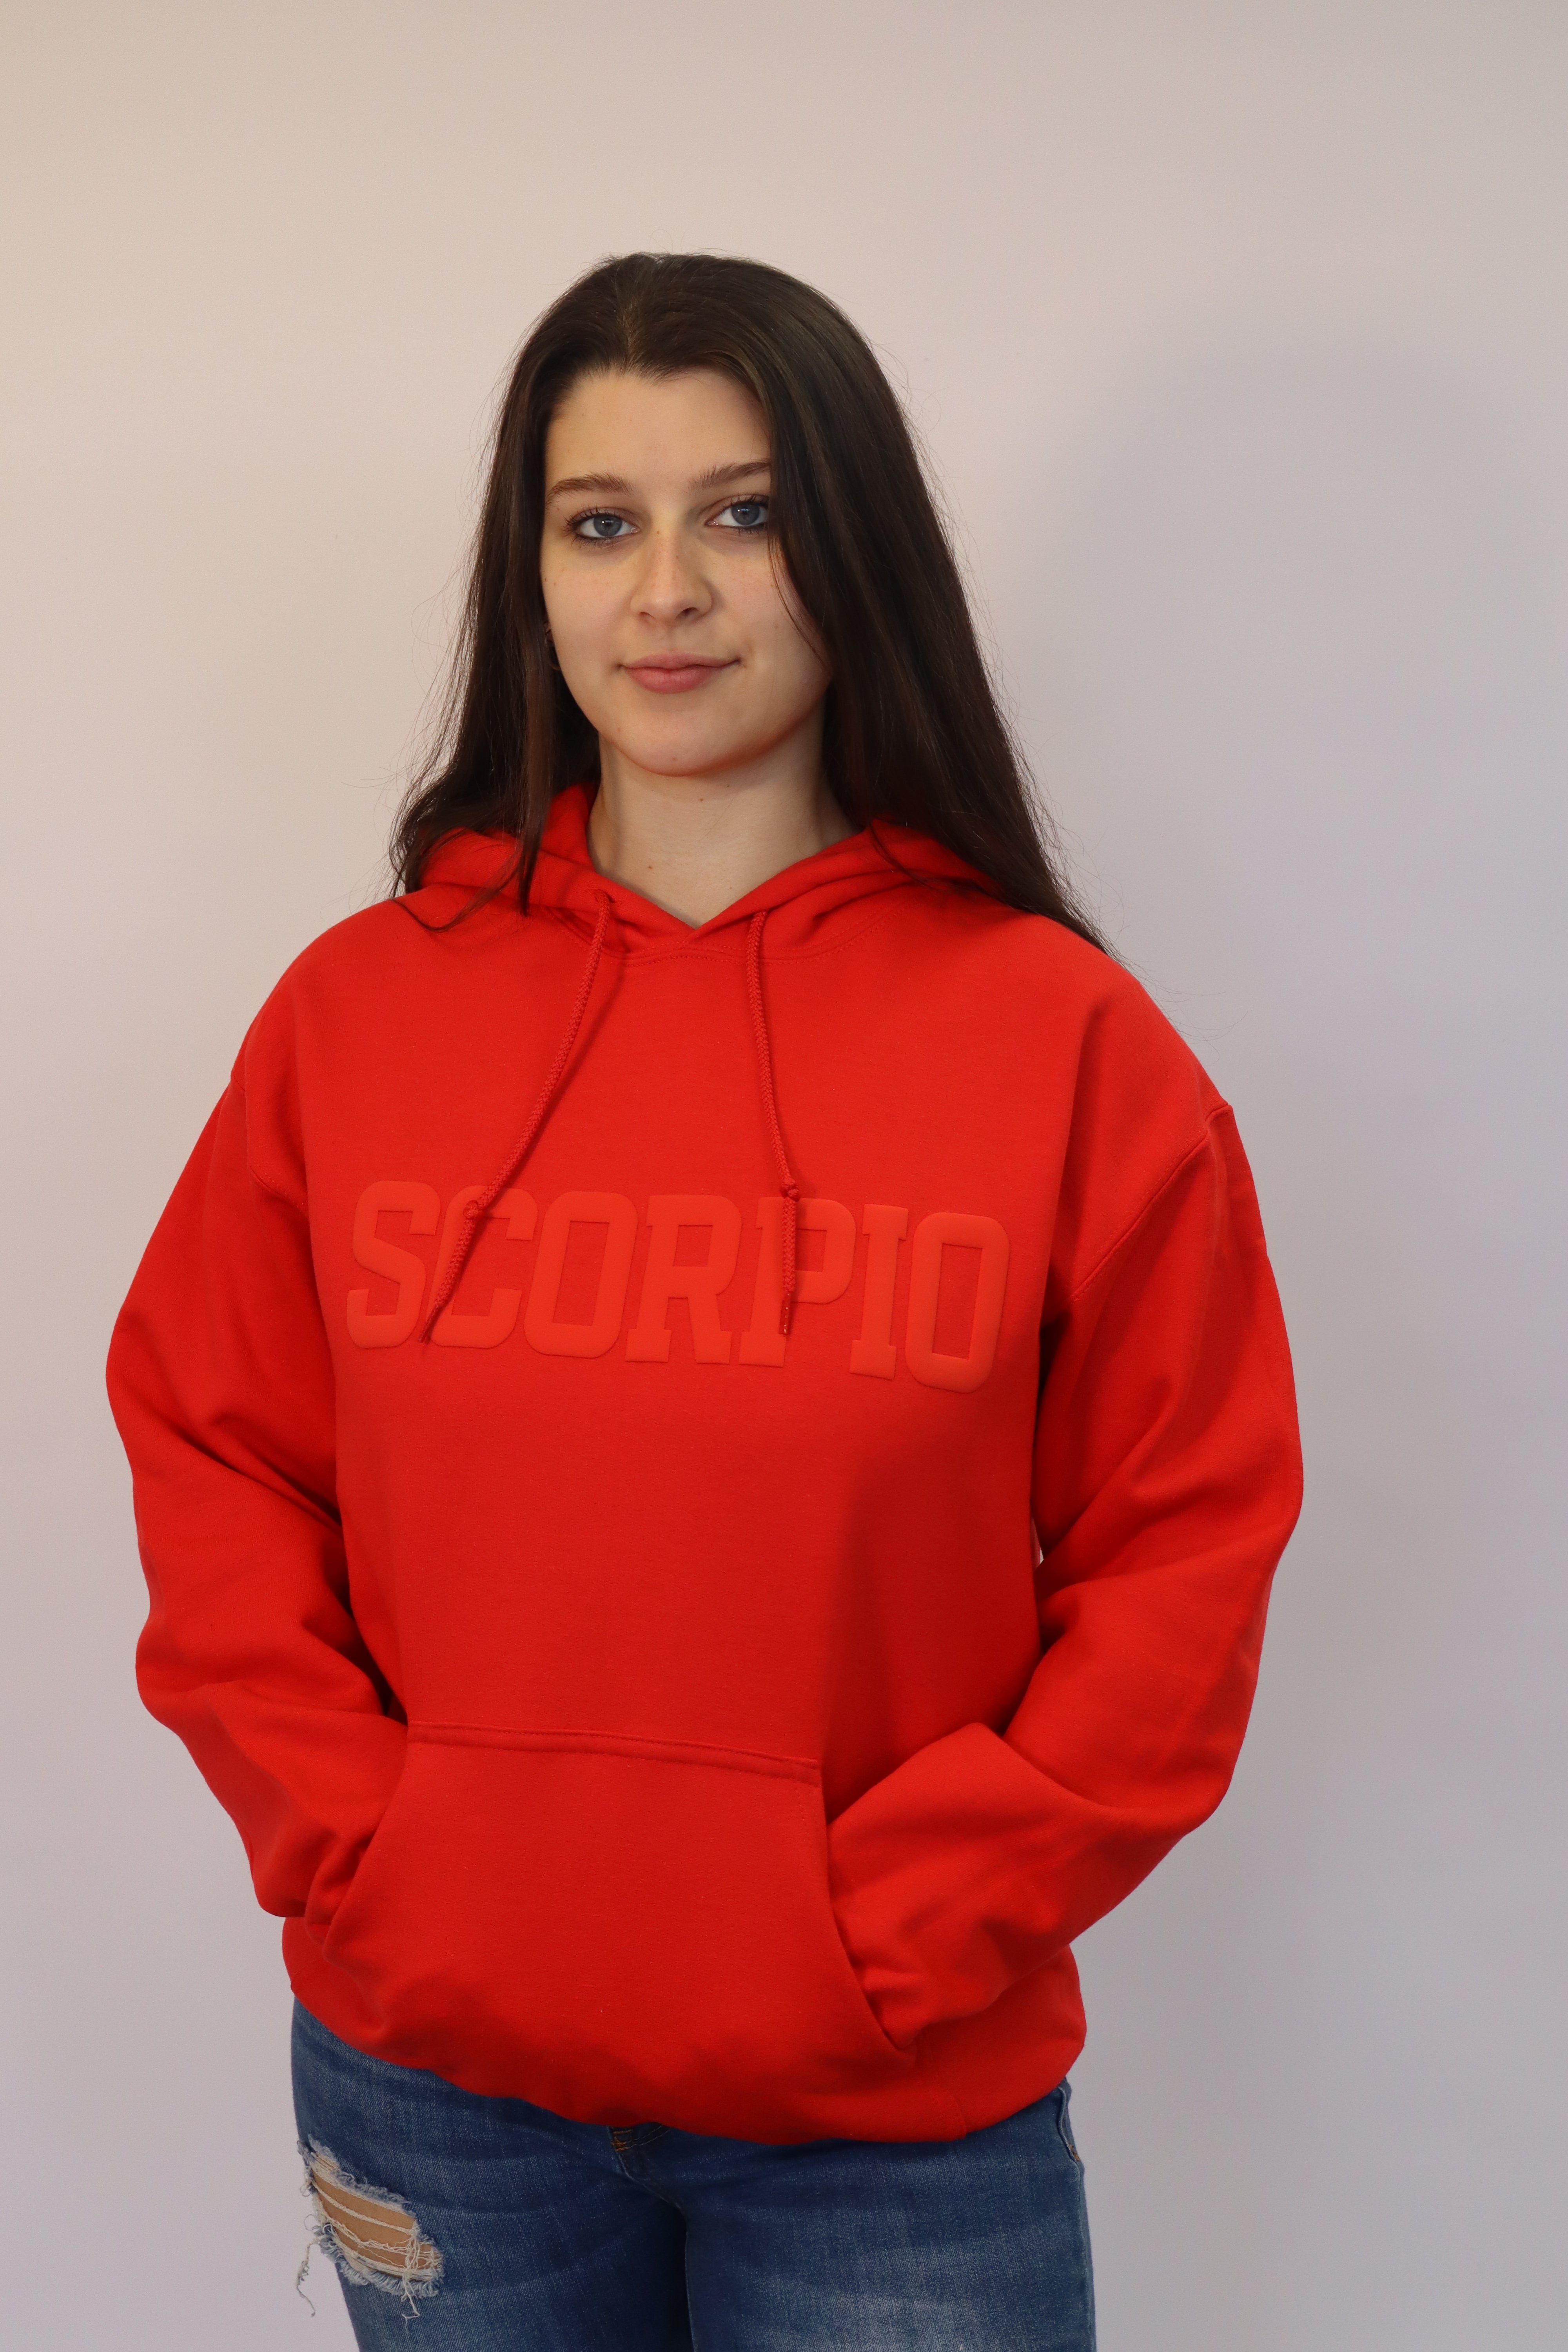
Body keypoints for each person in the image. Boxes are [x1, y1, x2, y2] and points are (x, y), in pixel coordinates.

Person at [107, 252, 1303, 2350]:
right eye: (602, 523)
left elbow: (1184, 1546)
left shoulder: (1062, 1043)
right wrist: (381, 1857)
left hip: (891, 2117)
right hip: (440, 2087)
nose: (667, 591)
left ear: (857, 552)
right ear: (533, 575)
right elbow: (215, 1452)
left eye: (744, 514)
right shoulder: (357, 1017)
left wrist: (886, 1934)